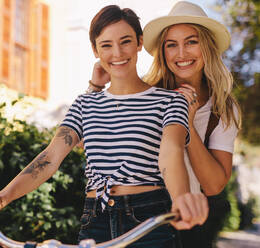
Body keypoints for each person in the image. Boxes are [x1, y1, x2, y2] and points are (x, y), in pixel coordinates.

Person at [0, 5, 208, 247]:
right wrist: (1, 198)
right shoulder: (85, 103)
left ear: (139, 43)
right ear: (95, 50)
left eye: (125, 41)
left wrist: (181, 199)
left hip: (148, 218)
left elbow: (171, 152)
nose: (117, 53)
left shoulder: (170, 100)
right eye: (106, 45)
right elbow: (50, 157)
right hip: (95, 220)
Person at [88, 2, 241, 248]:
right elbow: (93, 144)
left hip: (187, 222)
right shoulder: (143, 93)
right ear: (163, 51)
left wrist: (187, 122)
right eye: (172, 45)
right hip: (133, 220)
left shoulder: (222, 108)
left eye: (191, 41)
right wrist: (95, 88)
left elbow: (213, 185)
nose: (181, 53)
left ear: (207, 46)